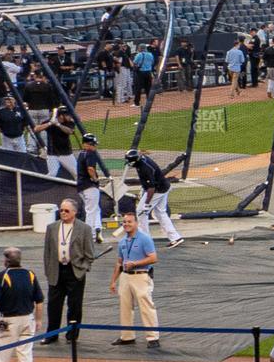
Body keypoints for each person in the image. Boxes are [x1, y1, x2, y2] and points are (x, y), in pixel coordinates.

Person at [42, 196, 103, 350]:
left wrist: (83, 269)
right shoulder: (52, 228)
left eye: (66, 210)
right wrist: (49, 271)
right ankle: (52, 334)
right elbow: (47, 252)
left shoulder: (84, 228)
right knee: (54, 305)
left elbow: (89, 253)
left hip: (75, 271)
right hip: (56, 271)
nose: (63, 213)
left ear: (74, 212)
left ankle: (72, 335)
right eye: (61, 210)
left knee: (74, 305)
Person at [110, 208, 161, 349]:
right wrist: (114, 280)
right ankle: (127, 336)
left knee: (146, 306)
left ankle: (153, 337)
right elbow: (119, 262)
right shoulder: (123, 242)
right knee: (125, 306)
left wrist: (135, 264)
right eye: (124, 222)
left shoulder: (144, 239)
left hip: (141, 275)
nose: (126, 224)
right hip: (126, 277)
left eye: (129, 222)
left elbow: (153, 258)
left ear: (136, 223)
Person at [0, 246, 44, 362]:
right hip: (28, 320)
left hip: (7, 321)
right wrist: (38, 320)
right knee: (25, 355)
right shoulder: (30, 274)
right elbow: (39, 301)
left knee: (2, 355)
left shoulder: (0, 277)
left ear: (6, 261)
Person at [126, 149, 183, 247]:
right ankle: (175, 237)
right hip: (163, 187)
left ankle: (144, 240)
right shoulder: (141, 161)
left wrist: (146, 204)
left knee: (141, 212)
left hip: (158, 190)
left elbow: (151, 188)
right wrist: (143, 191)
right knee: (160, 213)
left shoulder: (145, 168)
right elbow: (147, 184)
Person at [74, 133, 110, 230]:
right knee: (91, 211)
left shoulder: (82, 153)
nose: (94, 147)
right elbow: (90, 169)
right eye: (93, 144)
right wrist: (95, 179)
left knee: (95, 209)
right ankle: (90, 234)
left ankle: (97, 228)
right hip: (89, 186)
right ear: (87, 144)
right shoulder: (90, 153)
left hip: (81, 187)